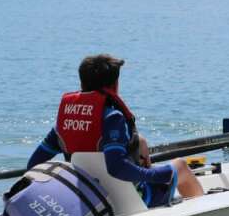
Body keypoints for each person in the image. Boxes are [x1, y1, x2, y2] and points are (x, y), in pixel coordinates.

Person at [27, 54, 204, 207]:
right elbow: (116, 168)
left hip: (90, 200)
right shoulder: (112, 118)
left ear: (82, 82)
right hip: (131, 201)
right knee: (180, 166)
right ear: (114, 85)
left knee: (140, 142)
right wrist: (156, 175)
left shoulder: (64, 122)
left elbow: (33, 165)